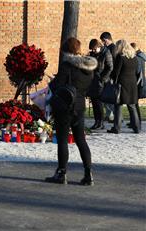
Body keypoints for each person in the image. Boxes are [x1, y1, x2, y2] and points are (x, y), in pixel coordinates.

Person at [46, 37, 97, 186]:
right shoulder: (88, 68)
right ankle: (88, 173)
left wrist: (53, 81)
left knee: (62, 139)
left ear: (66, 51)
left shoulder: (67, 65)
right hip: (80, 105)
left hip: (65, 106)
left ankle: (62, 172)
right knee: (81, 140)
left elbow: (58, 86)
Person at [107, 40, 140, 134]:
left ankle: (117, 128)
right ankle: (137, 128)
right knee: (132, 106)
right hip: (132, 84)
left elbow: (116, 72)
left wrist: (112, 78)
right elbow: (137, 72)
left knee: (118, 106)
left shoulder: (120, 58)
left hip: (122, 84)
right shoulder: (134, 58)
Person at [87, 39, 113, 129]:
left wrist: (102, 78)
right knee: (94, 102)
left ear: (99, 47)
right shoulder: (94, 54)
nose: (93, 51)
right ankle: (96, 121)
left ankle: (101, 122)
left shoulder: (106, 53)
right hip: (93, 80)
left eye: (94, 49)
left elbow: (110, 67)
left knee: (99, 103)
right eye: (92, 50)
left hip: (101, 81)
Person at [100, 32, 117, 123]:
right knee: (106, 96)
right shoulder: (107, 48)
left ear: (106, 39)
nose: (103, 43)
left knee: (110, 96)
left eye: (103, 41)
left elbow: (112, 63)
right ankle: (109, 115)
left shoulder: (112, 47)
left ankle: (113, 116)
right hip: (107, 75)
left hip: (110, 76)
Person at [130, 42, 146, 129]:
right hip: (141, 83)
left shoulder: (137, 58)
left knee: (134, 104)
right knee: (135, 104)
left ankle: (136, 123)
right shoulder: (142, 57)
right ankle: (135, 122)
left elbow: (137, 73)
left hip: (137, 84)